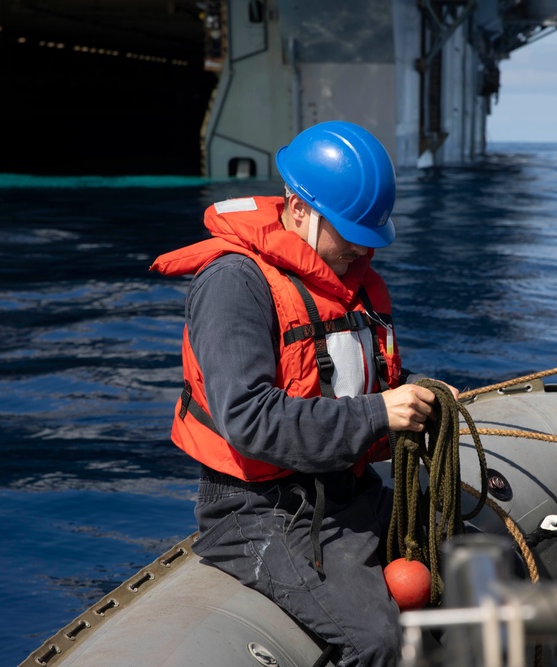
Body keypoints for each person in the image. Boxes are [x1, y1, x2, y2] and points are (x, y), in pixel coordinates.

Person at [150, 120, 456, 666]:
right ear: (297, 210)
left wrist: (415, 395)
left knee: (469, 552)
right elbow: (249, 419)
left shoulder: (348, 277)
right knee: (375, 642)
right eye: (349, 232)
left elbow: (354, 386)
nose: (362, 248)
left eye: (369, 235)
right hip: (261, 515)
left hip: (347, 493)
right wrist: (379, 413)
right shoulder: (234, 284)